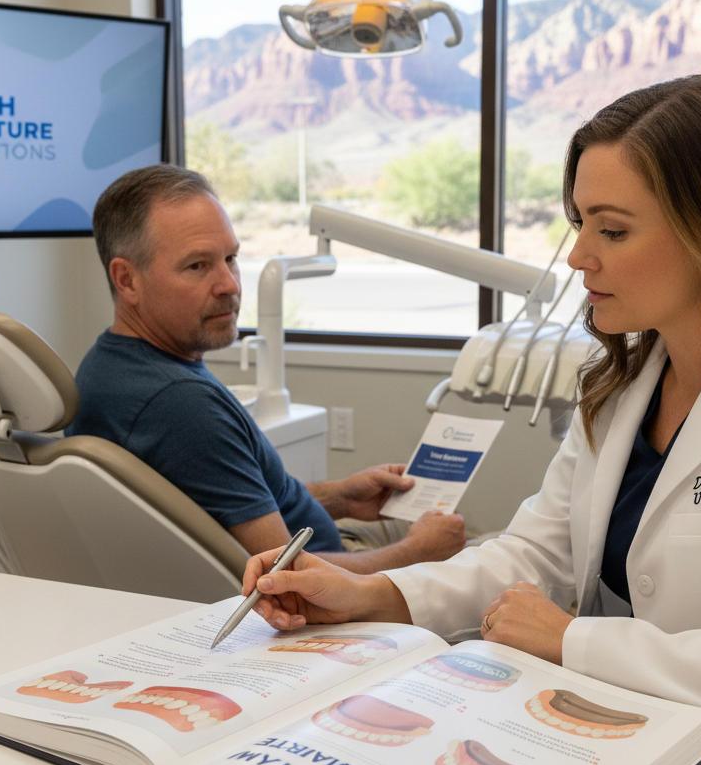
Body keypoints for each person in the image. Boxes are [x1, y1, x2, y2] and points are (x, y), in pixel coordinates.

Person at [238, 74, 701, 740]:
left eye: (613, 230)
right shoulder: (624, 385)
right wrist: (373, 596)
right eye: (578, 223)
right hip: (647, 737)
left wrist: (576, 641)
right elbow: (537, 556)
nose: (576, 258)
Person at [68, 164, 465, 572]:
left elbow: (220, 510)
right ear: (127, 279)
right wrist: (417, 554)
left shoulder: (110, 367)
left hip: (325, 544)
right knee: (482, 553)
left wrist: (339, 498)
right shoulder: (180, 406)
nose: (230, 285)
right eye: (197, 266)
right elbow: (288, 580)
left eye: (231, 258)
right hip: (332, 588)